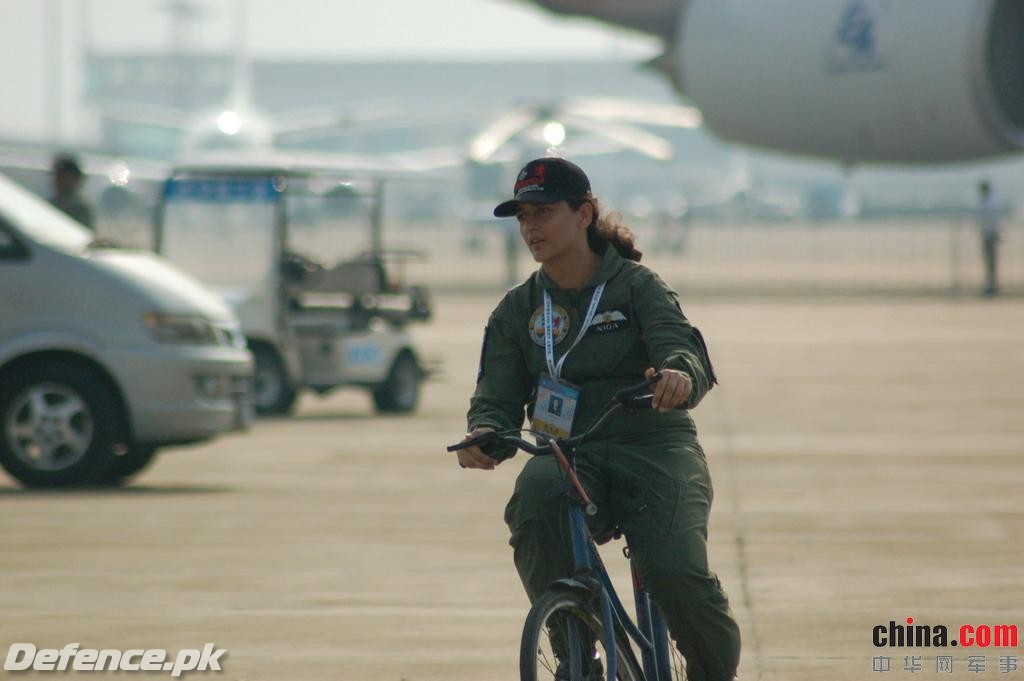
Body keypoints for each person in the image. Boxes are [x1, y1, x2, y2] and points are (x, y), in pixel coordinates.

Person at [454, 157, 741, 681]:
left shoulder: (636, 287)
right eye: (521, 216)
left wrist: (679, 375)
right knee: (533, 500)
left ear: (584, 214)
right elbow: (495, 394)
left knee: (676, 573)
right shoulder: (516, 311)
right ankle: (574, 653)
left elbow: (682, 349)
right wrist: (484, 433)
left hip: (653, 445)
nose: (530, 227)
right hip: (569, 451)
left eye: (543, 212)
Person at [50, 154, 95, 231]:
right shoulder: (49, 206)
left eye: (64, 176)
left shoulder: (81, 210)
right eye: (58, 176)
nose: (59, 181)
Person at [977, 180, 1003, 296]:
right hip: (988, 235)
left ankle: (992, 286)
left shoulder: (989, 203)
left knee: (991, 263)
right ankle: (991, 285)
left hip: (989, 236)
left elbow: (991, 221)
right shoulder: (988, 202)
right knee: (990, 263)